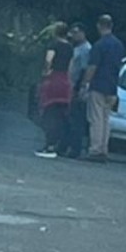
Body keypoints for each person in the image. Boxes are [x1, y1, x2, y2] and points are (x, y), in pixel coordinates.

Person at [80, 15, 124, 162]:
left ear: (99, 26)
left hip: (98, 85)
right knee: (106, 119)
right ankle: (104, 149)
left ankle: (95, 149)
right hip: (112, 87)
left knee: (96, 119)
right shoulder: (118, 45)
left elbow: (93, 66)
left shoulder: (99, 45)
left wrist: (85, 83)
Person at [35, 22, 74, 158]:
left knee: (48, 113)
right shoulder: (70, 48)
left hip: (53, 80)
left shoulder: (53, 45)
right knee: (59, 115)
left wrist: (46, 72)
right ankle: (56, 143)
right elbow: (70, 66)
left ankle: (49, 145)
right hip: (64, 81)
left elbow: (48, 60)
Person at [60, 23, 92, 159]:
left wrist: (79, 87)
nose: (72, 35)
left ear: (83, 33)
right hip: (70, 86)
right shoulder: (76, 48)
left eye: (75, 32)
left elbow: (84, 69)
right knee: (68, 118)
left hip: (76, 88)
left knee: (75, 119)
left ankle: (75, 148)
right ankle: (64, 145)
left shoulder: (86, 49)